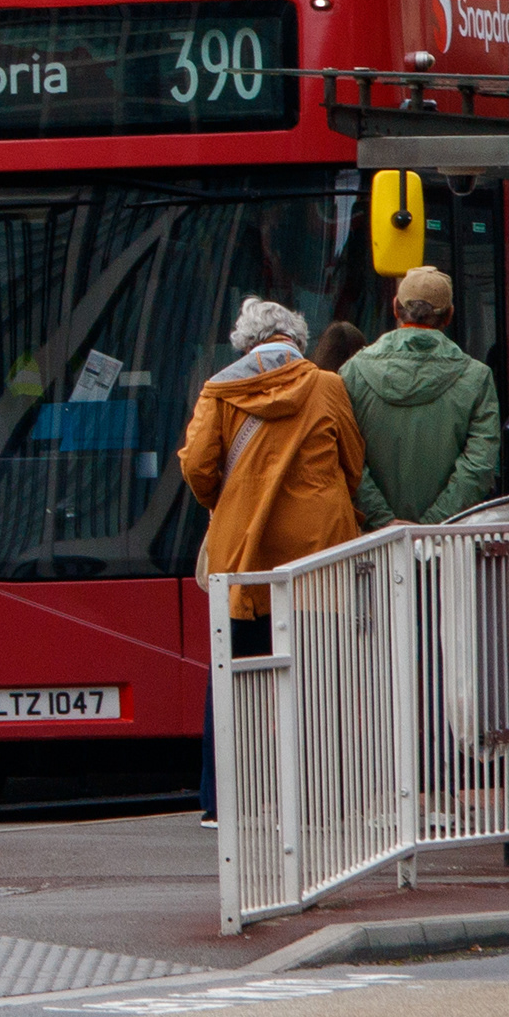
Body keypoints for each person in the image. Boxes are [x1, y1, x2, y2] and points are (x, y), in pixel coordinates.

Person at [181, 296, 368, 823]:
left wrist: (228, 499)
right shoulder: (328, 387)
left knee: (233, 679)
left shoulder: (219, 390)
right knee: (315, 679)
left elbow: (197, 467)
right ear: (298, 341)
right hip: (316, 561)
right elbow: (353, 463)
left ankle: (222, 803)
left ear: (245, 344)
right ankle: (313, 799)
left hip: (244, 561)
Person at [340, 267, 501, 527]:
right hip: (447, 545)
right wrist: (432, 526)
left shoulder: (352, 373)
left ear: (395, 308)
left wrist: (384, 522)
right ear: (448, 315)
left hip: (370, 546)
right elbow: (479, 467)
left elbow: (346, 458)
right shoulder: (477, 378)